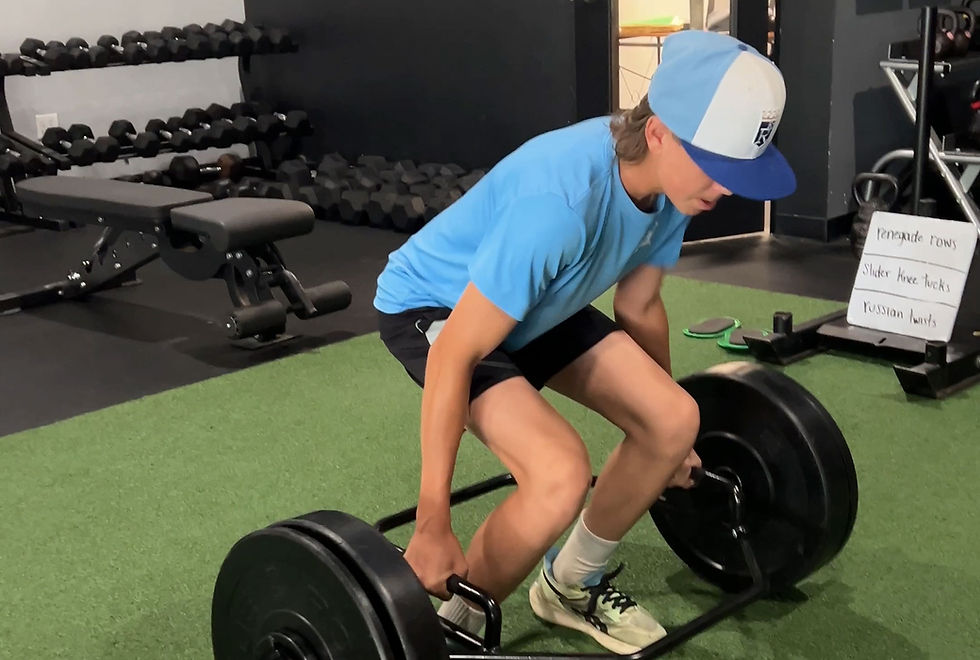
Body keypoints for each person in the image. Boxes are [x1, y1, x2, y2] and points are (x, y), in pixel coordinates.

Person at [373, 30, 796, 654]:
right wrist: (432, 518)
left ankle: (570, 585)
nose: (726, 188)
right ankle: (449, 633)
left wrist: (666, 433)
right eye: (718, 167)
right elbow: (456, 351)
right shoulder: (560, 204)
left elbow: (639, 303)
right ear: (658, 133)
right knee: (558, 474)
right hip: (440, 307)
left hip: (540, 300)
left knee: (675, 418)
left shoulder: (677, 187)